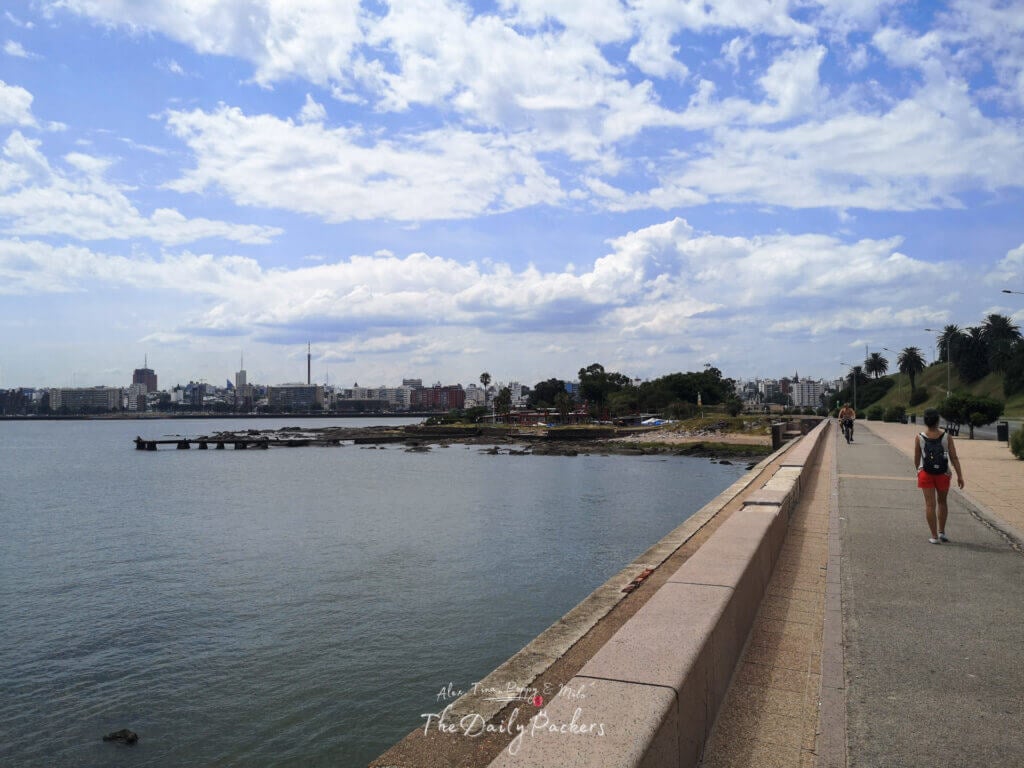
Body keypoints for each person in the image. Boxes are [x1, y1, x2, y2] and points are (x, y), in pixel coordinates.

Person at [913, 408, 964, 544]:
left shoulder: (919, 437)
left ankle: (934, 536)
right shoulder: (947, 437)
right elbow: (954, 457)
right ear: (937, 421)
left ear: (925, 421)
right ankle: (942, 532)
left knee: (930, 504)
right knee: (942, 502)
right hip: (943, 473)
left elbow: (917, 459)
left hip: (926, 473)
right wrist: (960, 475)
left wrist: (918, 471)